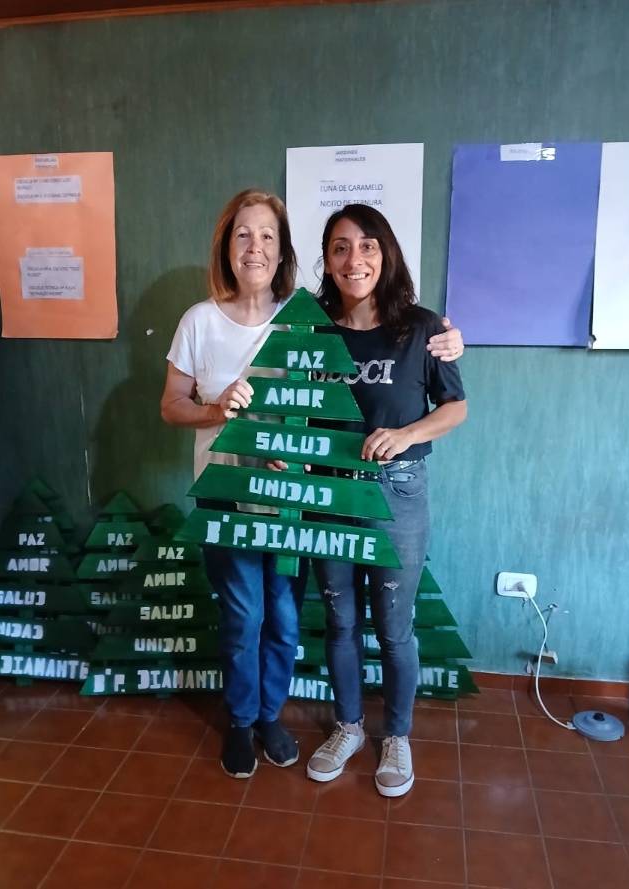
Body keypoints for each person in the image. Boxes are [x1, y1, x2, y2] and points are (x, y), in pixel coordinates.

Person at [161, 189, 464, 779]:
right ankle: (277, 723)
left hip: (346, 494)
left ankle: (348, 729)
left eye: (268, 236)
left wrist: (450, 347)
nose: (355, 260)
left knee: (335, 622)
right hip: (269, 495)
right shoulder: (265, 322)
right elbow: (192, 404)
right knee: (279, 617)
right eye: (340, 249)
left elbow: (445, 401)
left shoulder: (365, 322)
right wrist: (234, 420)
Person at [305, 204, 467, 798]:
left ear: (386, 254)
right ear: (327, 261)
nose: (355, 259)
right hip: (329, 492)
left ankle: (396, 735)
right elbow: (290, 402)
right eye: (340, 247)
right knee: (341, 621)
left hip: (398, 489)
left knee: (395, 628)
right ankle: (348, 727)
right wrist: (287, 449)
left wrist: (405, 435)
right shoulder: (312, 329)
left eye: (367, 246)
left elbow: (455, 408)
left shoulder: (422, 328)